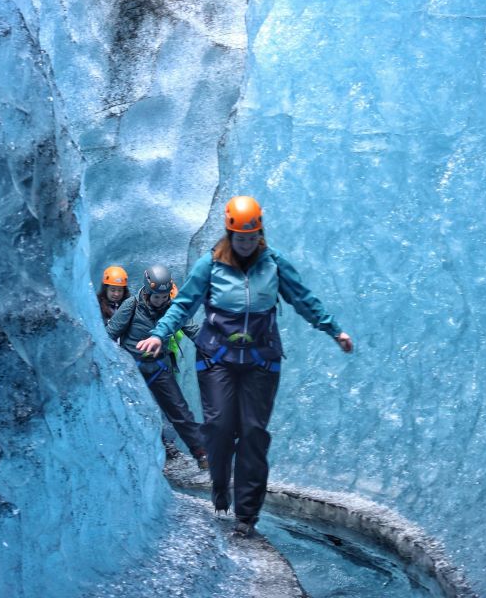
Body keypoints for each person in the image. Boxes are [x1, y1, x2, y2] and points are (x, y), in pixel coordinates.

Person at [137, 196, 353, 537]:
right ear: (229, 233)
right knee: (221, 428)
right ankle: (220, 485)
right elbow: (183, 305)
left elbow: (304, 300)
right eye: (241, 238)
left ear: (260, 233)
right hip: (216, 359)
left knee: (253, 434)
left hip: (261, 360)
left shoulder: (274, 265)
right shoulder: (209, 266)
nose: (247, 243)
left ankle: (246, 516)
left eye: (252, 237)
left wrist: (333, 330)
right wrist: (160, 334)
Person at [107, 263, 209, 470]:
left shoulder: (172, 309)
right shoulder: (131, 306)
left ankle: (201, 454)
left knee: (180, 411)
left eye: (164, 297)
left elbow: (193, 331)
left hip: (157, 369)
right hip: (132, 370)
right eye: (156, 297)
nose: (160, 301)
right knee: (130, 413)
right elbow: (109, 334)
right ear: (147, 291)